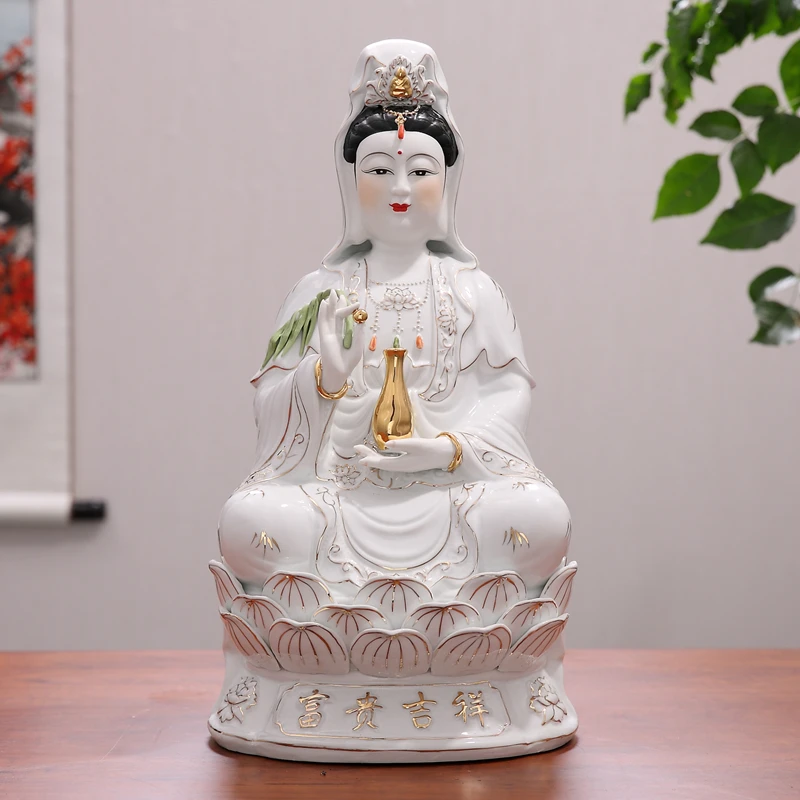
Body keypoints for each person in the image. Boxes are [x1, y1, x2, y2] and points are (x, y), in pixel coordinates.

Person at [217, 40, 571, 602]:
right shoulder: (319, 293)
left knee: (538, 517)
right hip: (340, 495)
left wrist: (449, 450)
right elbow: (269, 415)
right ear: (351, 183)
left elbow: (506, 399)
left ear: (447, 184)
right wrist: (324, 380)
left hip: (450, 495)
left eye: (420, 170)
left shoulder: (475, 292)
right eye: (380, 169)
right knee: (253, 522)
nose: (400, 188)